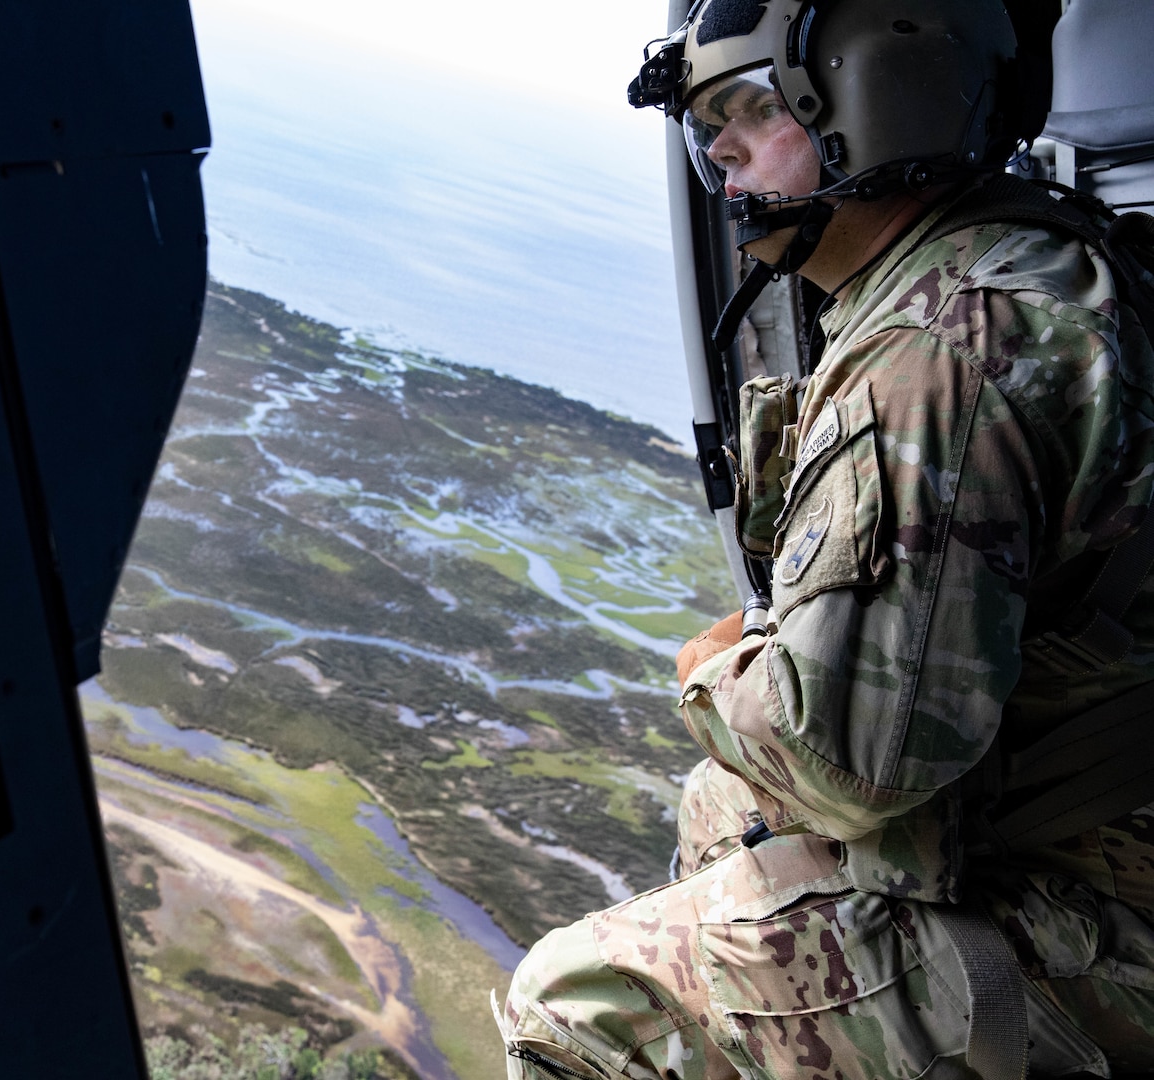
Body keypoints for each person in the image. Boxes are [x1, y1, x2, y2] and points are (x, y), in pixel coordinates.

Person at [494, 1, 1154, 1077]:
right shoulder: (1040, 256)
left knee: (579, 1002)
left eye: (751, 111)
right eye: (711, 121)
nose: (719, 150)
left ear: (878, 108)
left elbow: (844, 765)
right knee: (724, 809)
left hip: (1112, 904)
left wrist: (714, 671)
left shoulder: (939, 348)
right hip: (1089, 822)